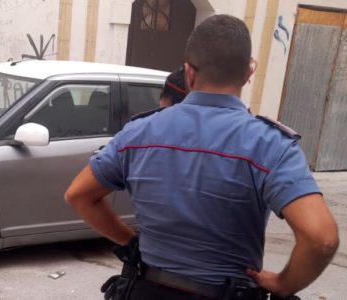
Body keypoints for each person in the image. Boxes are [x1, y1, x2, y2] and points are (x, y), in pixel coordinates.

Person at [65, 14, 338, 300]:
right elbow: (321, 239)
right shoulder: (270, 145)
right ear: (248, 72)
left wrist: (131, 243)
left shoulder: (138, 133)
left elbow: (78, 195)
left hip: (146, 290)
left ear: (189, 73)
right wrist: (284, 284)